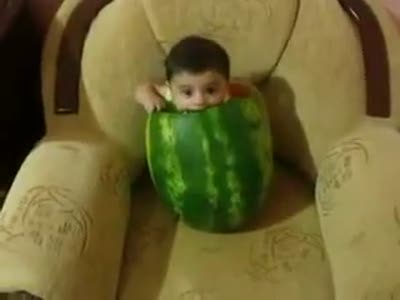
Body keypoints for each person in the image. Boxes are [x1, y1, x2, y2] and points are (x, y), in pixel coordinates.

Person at [134, 35, 249, 113]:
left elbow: (249, 90)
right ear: (170, 88)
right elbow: (142, 89)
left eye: (210, 90)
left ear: (226, 85)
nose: (199, 100)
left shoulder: (228, 93)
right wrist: (148, 97)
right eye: (188, 93)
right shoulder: (170, 94)